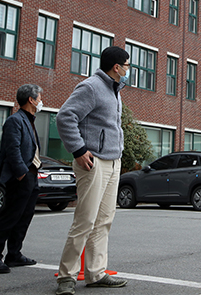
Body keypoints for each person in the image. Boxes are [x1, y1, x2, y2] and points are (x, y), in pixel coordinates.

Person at [55, 46, 130, 295]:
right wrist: (78, 150)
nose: (129, 70)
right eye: (127, 65)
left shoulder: (114, 90)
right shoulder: (92, 86)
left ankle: (96, 273)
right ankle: (66, 277)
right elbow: (65, 117)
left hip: (113, 162)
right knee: (85, 220)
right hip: (93, 162)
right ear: (116, 67)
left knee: (103, 221)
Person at [0, 85, 44, 274]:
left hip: (32, 176)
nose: (41, 101)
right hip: (20, 177)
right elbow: (12, 150)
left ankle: (14, 254)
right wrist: (22, 174)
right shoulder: (15, 121)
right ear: (31, 100)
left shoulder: (30, 121)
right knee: (9, 217)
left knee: (24, 216)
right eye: (39, 97)